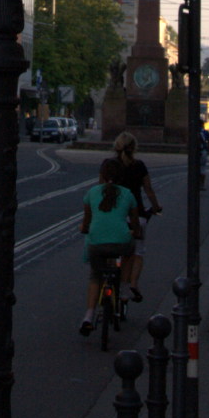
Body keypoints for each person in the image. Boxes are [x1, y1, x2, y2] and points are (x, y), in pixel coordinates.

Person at [78, 158, 142, 335]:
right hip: (121, 242)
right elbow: (135, 222)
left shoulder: (92, 193)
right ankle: (124, 287)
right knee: (131, 252)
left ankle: (88, 316)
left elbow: (86, 222)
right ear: (121, 177)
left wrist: (84, 229)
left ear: (102, 175)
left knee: (95, 276)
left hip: (96, 244)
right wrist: (135, 232)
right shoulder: (128, 194)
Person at [111, 131, 162, 301]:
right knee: (137, 251)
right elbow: (148, 190)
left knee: (111, 247)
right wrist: (156, 207)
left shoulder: (110, 165)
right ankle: (132, 284)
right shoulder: (139, 166)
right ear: (134, 148)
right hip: (136, 215)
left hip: (114, 216)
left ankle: (108, 279)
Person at [199, 123, 209, 190]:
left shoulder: (193, 131)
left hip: (195, 152)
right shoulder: (205, 132)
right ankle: (202, 184)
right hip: (203, 151)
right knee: (203, 168)